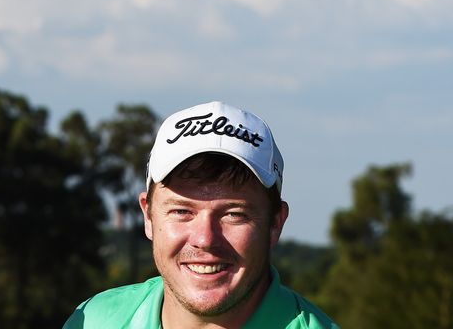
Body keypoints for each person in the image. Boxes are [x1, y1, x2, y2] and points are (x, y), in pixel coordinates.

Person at [63, 101, 338, 328]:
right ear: (148, 216)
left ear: (275, 223)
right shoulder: (92, 321)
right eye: (182, 211)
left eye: (234, 214)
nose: (205, 239)